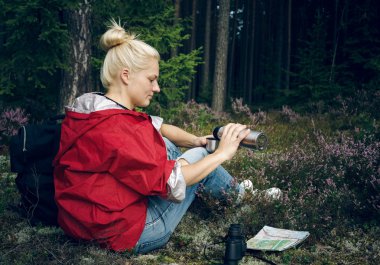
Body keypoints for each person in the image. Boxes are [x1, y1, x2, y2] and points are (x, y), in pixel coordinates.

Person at [53, 20, 278, 254]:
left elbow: (157, 126)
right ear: (126, 75)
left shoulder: (93, 109)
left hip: (81, 222)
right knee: (201, 160)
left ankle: (235, 189)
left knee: (178, 146)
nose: (157, 87)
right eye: (151, 79)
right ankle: (243, 198)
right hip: (126, 232)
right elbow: (173, 183)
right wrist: (220, 153)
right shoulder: (122, 130)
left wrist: (195, 140)